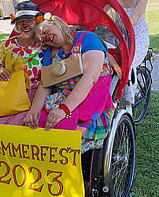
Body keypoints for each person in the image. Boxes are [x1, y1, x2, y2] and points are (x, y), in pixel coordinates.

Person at [24, 14, 114, 153]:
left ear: (55, 22)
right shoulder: (51, 52)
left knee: (63, 123)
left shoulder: (88, 38)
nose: (46, 38)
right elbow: (45, 84)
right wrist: (34, 110)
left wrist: (64, 109)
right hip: (64, 96)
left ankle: (62, 159)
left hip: (91, 96)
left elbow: (90, 78)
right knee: (38, 122)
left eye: (45, 32)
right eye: (43, 40)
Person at [0, 1, 45, 139]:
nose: (25, 25)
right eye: (21, 22)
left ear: (38, 22)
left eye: (29, 21)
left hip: (38, 95)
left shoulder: (45, 44)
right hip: (10, 95)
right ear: (16, 25)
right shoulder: (6, 46)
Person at [110, 0, 150, 115]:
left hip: (137, 36)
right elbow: (100, 11)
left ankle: (128, 105)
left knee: (129, 63)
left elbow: (136, 15)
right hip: (119, 36)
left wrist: (120, 27)